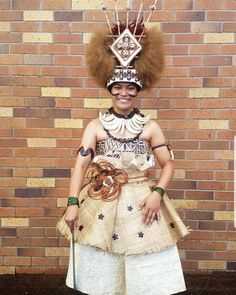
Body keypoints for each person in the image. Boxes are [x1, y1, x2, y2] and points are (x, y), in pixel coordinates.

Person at [57, 5, 190, 295]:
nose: (124, 93)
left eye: (131, 88)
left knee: (145, 258)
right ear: (110, 88)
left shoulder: (150, 127)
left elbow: (168, 165)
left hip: (143, 200)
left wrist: (157, 195)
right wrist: (72, 202)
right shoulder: (95, 126)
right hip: (100, 198)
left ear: (138, 89)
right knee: (101, 259)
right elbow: (80, 165)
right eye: (118, 87)